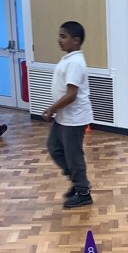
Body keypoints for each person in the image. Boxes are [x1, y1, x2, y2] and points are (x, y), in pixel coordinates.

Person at [42, 21, 93, 209]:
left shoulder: (75, 62)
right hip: (64, 117)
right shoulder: (68, 59)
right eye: (60, 36)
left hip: (74, 118)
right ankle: (78, 180)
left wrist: (52, 108)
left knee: (73, 156)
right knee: (54, 147)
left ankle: (83, 192)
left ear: (76, 41)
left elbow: (72, 94)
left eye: (64, 36)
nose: (59, 40)